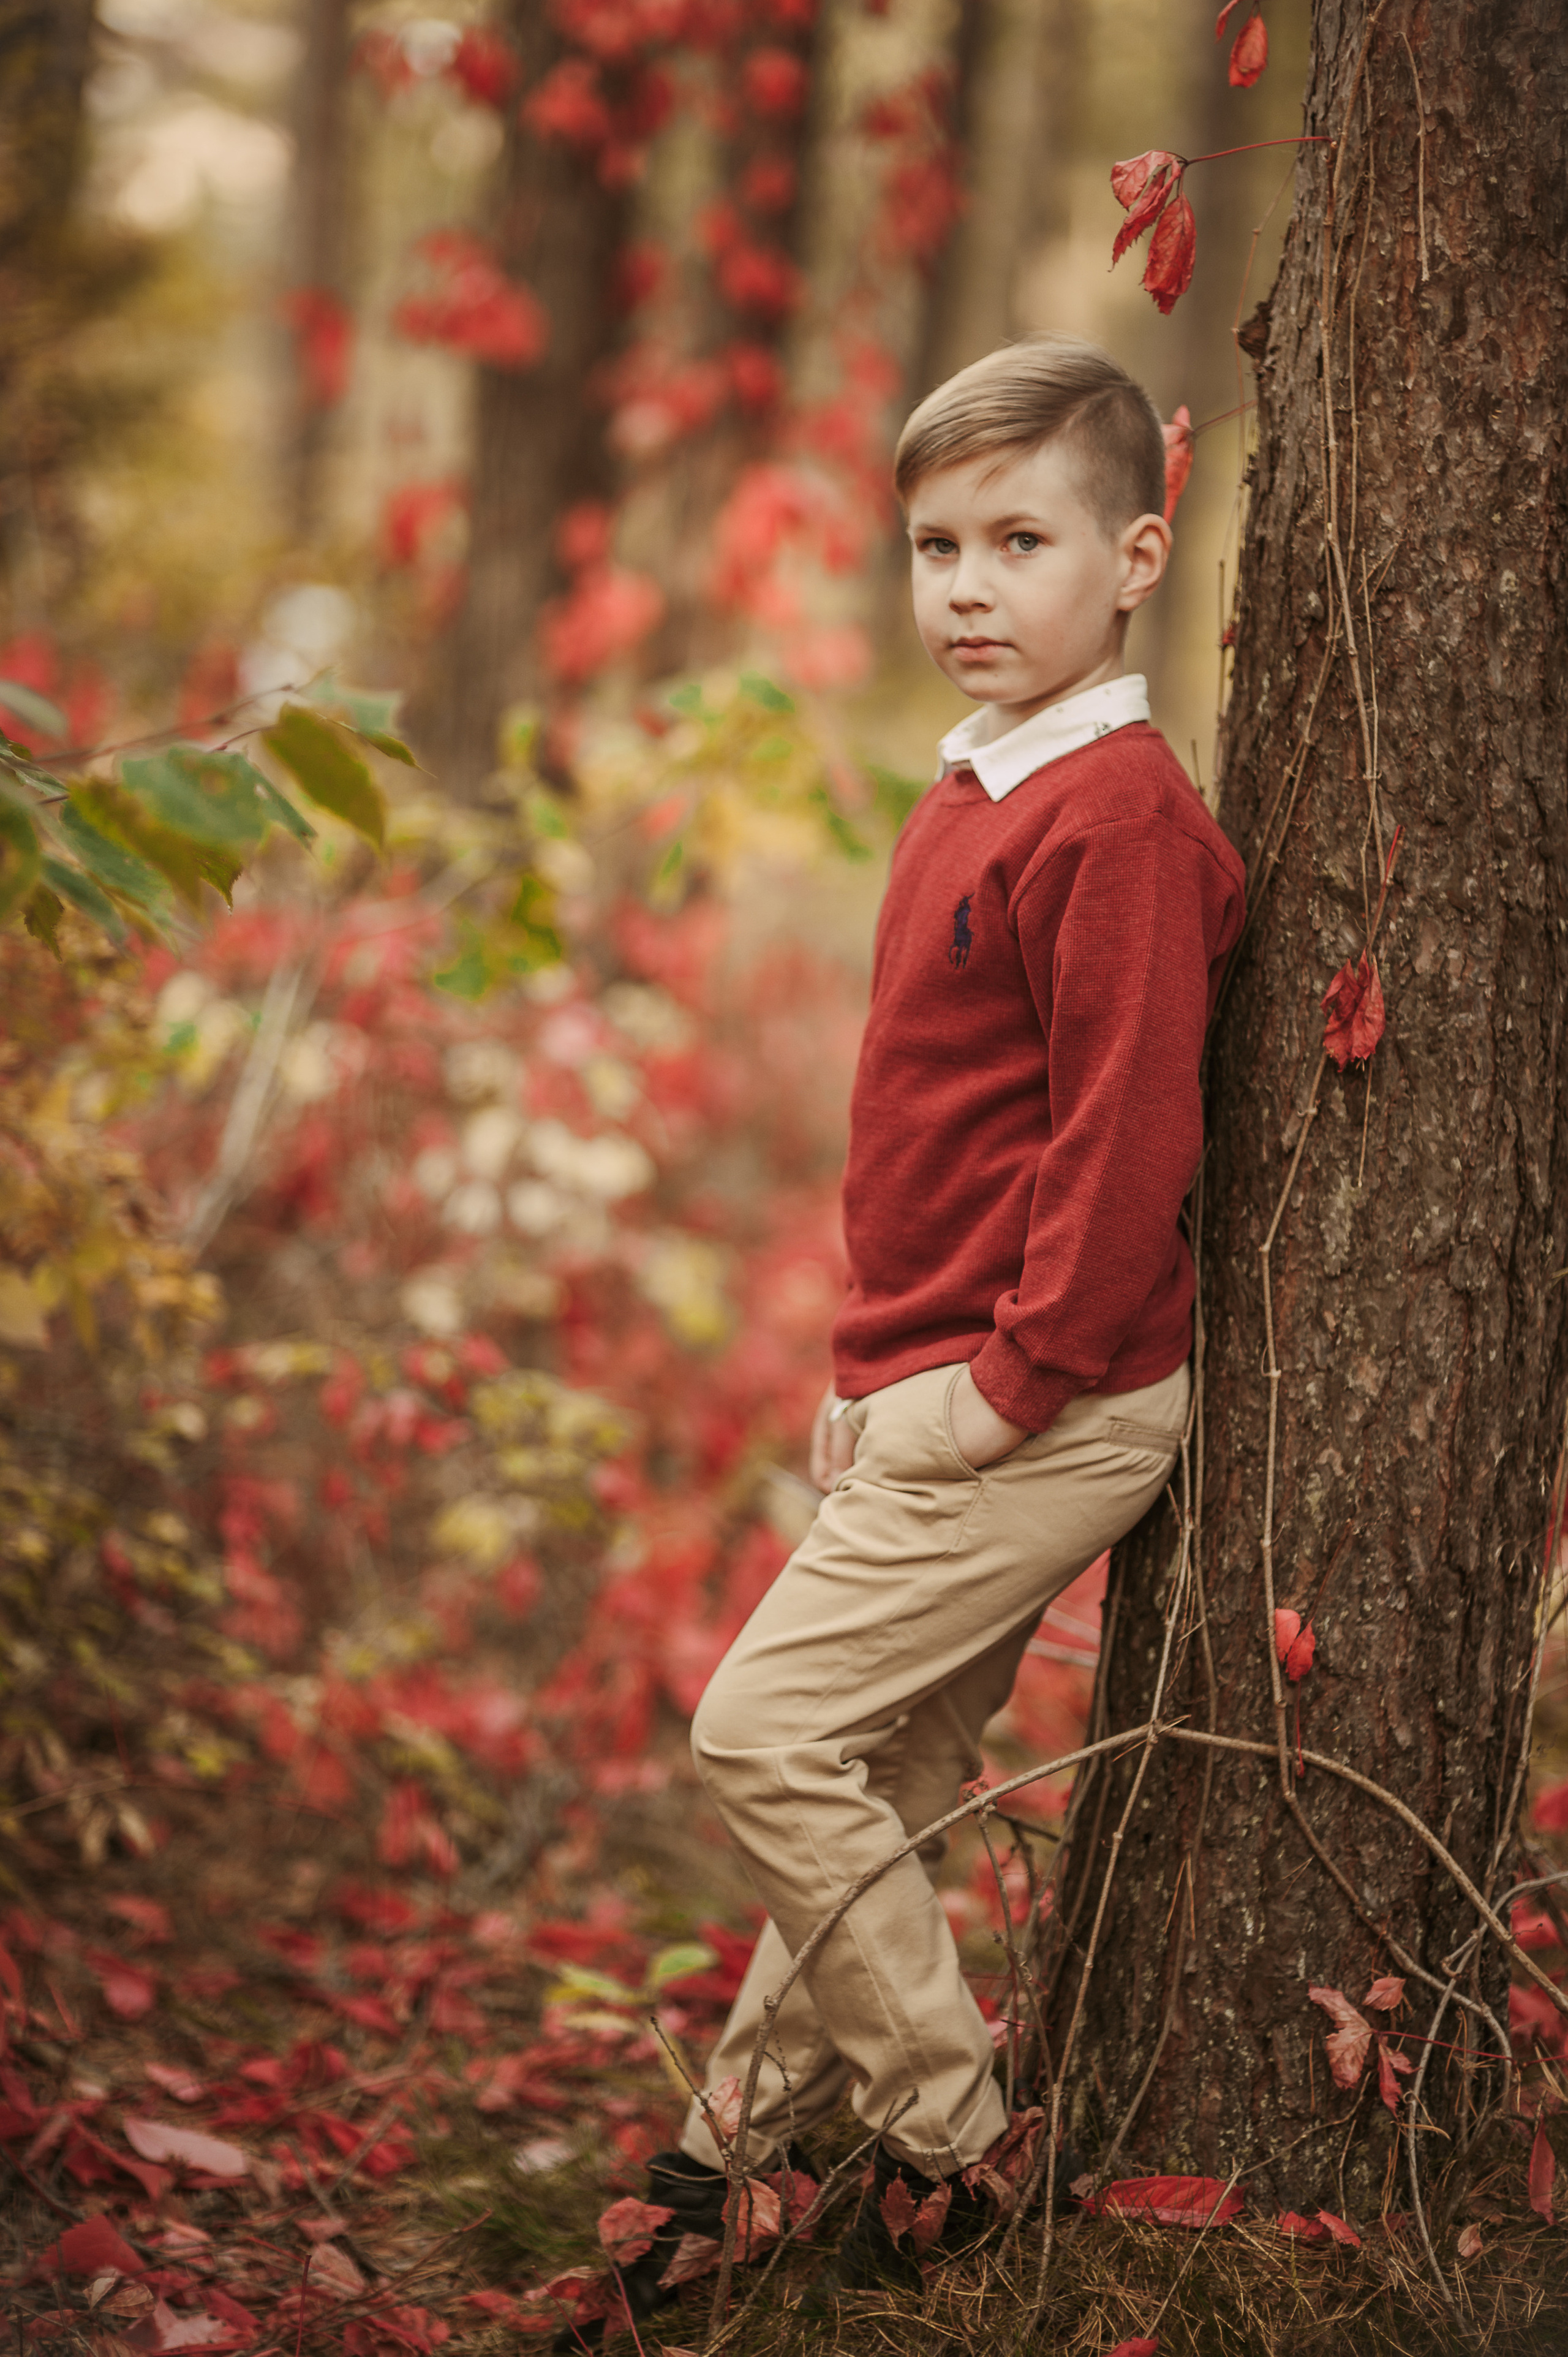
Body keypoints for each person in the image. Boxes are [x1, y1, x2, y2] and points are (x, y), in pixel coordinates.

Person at [576, 333, 1248, 2336]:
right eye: (934, 543)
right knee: (876, 1762)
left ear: (1134, 555)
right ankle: (731, 2152)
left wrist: (995, 1392)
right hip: (948, 1377)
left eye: (1018, 540)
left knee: (765, 1734)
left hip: (1054, 1394)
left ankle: (959, 2146)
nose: (964, 585)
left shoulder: (1114, 820)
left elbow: (1131, 1147)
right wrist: (872, 1368)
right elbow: (948, 1140)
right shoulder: (976, 787)